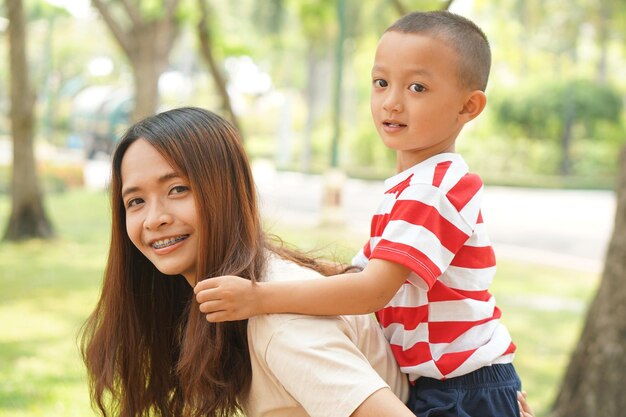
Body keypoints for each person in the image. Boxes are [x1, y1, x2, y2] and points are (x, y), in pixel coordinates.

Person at [195, 10, 522, 416]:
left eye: (417, 87)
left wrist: (258, 298)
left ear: (468, 107)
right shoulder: (411, 186)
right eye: (381, 83)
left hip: (463, 388)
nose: (391, 102)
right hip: (443, 383)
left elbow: (370, 291)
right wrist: (271, 260)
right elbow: (355, 274)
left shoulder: (433, 190)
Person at [79, 106, 415, 417]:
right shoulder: (230, 299)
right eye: (135, 201)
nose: (153, 219)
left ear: (226, 191)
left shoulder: (282, 326)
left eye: (178, 189)